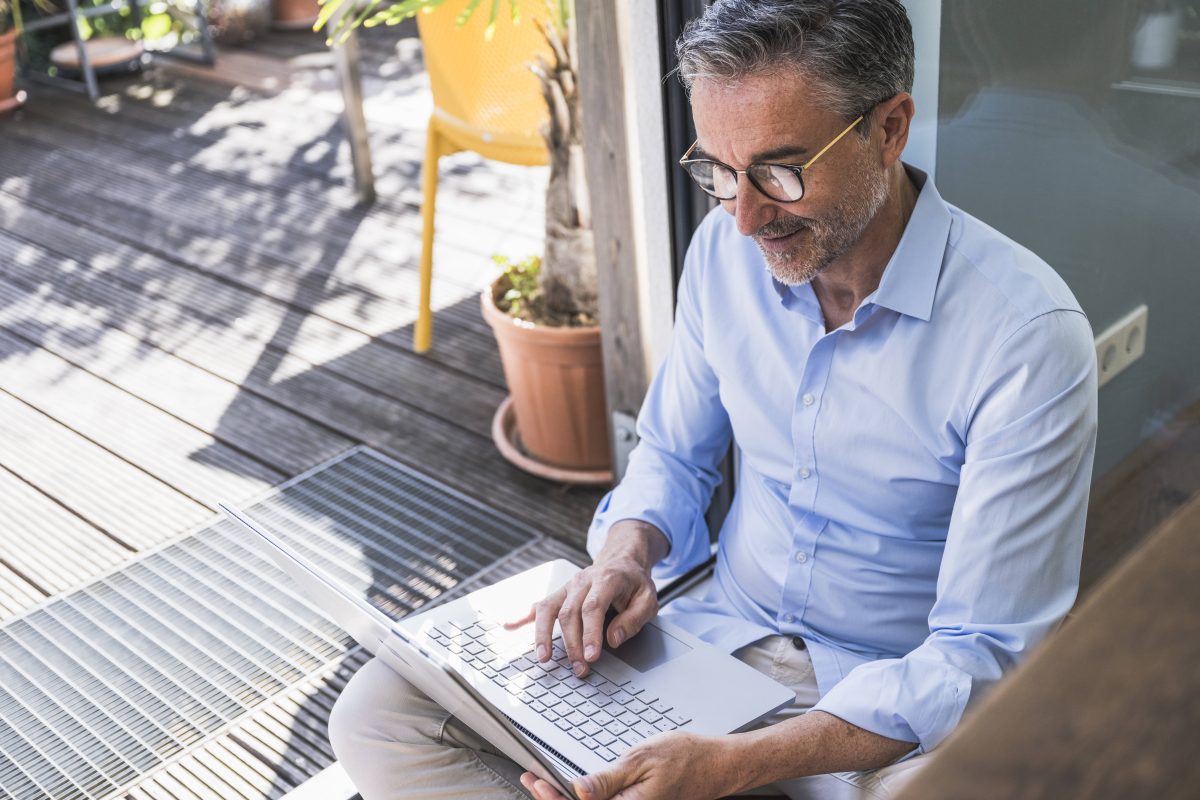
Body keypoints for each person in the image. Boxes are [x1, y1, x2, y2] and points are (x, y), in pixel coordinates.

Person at [328, 2, 1098, 798]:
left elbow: (982, 653)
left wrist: (733, 769)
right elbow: (671, 453)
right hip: (709, 645)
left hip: (884, 716)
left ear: (890, 128)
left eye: (779, 169)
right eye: (719, 172)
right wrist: (627, 553)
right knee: (381, 711)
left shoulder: (1026, 338)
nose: (744, 218)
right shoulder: (723, 257)